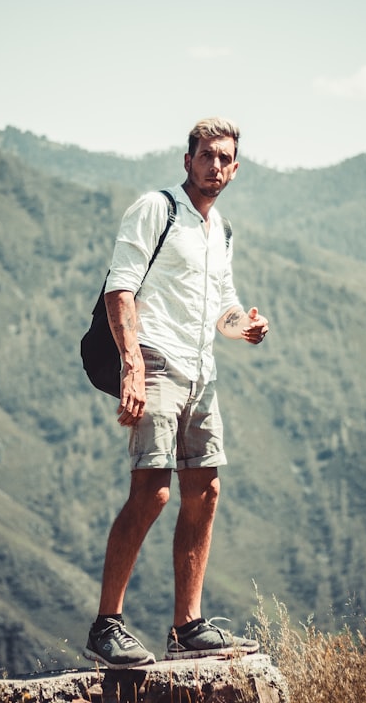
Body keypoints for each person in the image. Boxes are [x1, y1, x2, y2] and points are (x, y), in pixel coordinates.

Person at [83, 117, 270, 669]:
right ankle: (106, 626)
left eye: (225, 158)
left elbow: (223, 308)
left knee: (205, 491)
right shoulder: (156, 209)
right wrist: (132, 369)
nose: (215, 165)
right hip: (157, 361)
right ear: (187, 160)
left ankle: (187, 627)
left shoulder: (221, 231)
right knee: (153, 492)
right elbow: (121, 288)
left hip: (202, 372)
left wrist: (246, 326)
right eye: (206, 155)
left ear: (235, 168)